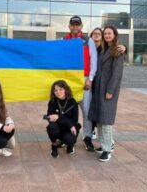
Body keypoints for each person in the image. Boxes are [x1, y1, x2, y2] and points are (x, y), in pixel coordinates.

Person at [63, 16, 125, 151]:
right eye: (72, 24)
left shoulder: (88, 40)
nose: (75, 26)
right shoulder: (63, 40)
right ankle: (66, 137)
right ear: (69, 26)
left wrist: (90, 79)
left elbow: (94, 61)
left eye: (77, 24)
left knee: (87, 112)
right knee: (66, 111)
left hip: (84, 80)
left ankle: (87, 137)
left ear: (81, 26)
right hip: (68, 82)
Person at [88, 25, 124, 162]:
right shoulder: (102, 49)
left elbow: (117, 73)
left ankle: (107, 150)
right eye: (106, 33)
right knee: (99, 118)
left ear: (114, 35)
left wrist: (110, 90)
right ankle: (104, 144)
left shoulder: (118, 50)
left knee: (106, 119)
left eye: (110, 33)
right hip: (98, 88)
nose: (107, 35)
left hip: (108, 90)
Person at [46, 80, 80, 158]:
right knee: (51, 127)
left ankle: (69, 145)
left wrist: (58, 117)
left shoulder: (72, 102)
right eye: (56, 90)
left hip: (69, 129)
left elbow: (74, 120)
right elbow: (49, 118)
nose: (58, 92)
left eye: (61, 89)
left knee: (70, 139)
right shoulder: (52, 102)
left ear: (65, 89)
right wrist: (65, 121)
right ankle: (54, 146)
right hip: (57, 128)